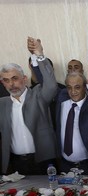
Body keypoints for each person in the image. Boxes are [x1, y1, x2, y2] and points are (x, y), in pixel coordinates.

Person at [0, 37, 58, 175]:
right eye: (6, 80)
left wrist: (39, 54)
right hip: (16, 164)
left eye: (15, 78)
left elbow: (50, 85)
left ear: (24, 79)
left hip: (43, 161)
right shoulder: (2, 104)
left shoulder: (38, 95)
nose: (11, 84)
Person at [56, 69, 88, 174]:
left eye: (77, 87)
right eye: (69, 87)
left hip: (87, 165)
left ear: (84, 87)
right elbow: (47, 84)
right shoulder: (61, 100)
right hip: (65, 165)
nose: (73, 92)